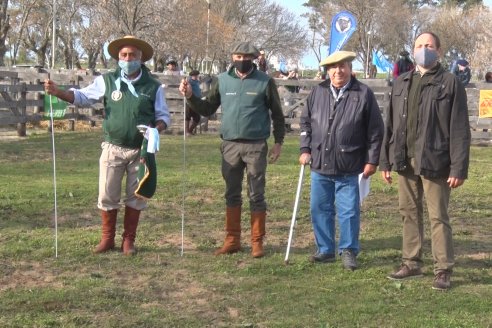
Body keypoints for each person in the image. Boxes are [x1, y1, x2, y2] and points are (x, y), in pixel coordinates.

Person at [44, 35, 171, 256]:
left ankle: (128, 240)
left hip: (140, 150)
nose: (128, 59)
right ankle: (107, 238)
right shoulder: (108, 81)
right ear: (118, 57)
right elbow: (83, 97)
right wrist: (58, 93)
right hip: (113, 147)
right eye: (123, 55)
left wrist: (155, 129)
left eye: (132, 55)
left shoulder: (153, 86)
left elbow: (163, 117)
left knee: (136, 195)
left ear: (141, 58)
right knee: (106, 194)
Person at [380, 32, 471, 290]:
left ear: (439, 51)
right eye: (419, 46)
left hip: (436, 161)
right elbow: (390, 125)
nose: (424, 50)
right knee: (408, 212)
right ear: (413, 49)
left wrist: (458, 167)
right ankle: (411, 262)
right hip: (404, 160)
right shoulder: (401, 82)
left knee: (438, 217)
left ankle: (443, 269)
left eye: (429, 46)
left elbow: (460, 129)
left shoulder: (450, 82)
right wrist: (385, 162)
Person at [178, 41, 285, 258]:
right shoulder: (223, 81)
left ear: (254, 58)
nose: (242, 61)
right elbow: (207, 108)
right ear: (232, 57)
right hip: (230, 146)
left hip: (256, 145)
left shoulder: (265, 82)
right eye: (238, 56)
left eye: (247, 57)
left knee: (256, 194)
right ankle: (232, 239)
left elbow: (277, 113)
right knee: (231, 193)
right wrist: (190, 96)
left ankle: (257, 241)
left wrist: (278, 142)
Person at [299, 50, 384, 270]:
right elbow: (306, 123)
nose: (338, 71)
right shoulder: (318, 92)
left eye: (342, 66)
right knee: (319, 208)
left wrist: (372, 160)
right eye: (333, 67)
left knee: (348, 211)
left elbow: (375, 131)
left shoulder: (363, 93)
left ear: (349, 68)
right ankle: (325, 249)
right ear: (328, 71)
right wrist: (305, 148)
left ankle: (348, 251)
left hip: (350, 164)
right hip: (320, 163)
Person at [185, 70, 202, 135]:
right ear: (192, 76)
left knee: (197, 118)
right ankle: (187, 132)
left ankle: (190, 130)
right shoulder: (190, 81)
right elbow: (186, 84)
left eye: (196, 75)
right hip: (190, 101)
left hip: (197, 101)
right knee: (188, 116)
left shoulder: (197, 82)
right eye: (194, 75)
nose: (196, 76)